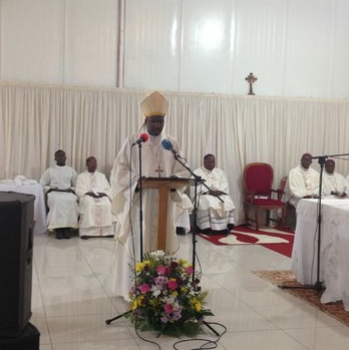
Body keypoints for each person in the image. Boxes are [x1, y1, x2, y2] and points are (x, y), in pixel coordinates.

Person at [110, 90, 189, 301]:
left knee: (162, 241)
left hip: (164, 204)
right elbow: (120, 170)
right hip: (140, 203)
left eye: (161, 121)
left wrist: (173, 180)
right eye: (154, 121)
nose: (157, 126)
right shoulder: (134, 141)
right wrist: (136, 181)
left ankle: (162, 288)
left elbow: (182, 169)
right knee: (139, 240)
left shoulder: (171, 143)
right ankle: (135, 289)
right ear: (146, 121)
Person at [40, 150, 79, 240]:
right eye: (58, 156)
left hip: (67, 192)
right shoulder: (50, 170)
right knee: (57, 201)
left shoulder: (71, 170)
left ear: (66, 157)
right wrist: (50, 189)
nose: (61, 158)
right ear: (55, 158)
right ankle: (58, 229)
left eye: (62, 156)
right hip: (55, 192)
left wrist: (71, 189)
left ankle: (67, 228)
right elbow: (41, 184)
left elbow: (77, 184)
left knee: (72, 200)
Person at [193, 154, 235, 234]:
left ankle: (227, 226)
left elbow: (224, 183)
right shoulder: (197, 172)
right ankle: (207, 228)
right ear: (204, 162)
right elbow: (195, 187)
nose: (211, 164)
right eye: (209, 162)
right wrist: (208, 192)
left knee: (227, 200)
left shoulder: (220, 172)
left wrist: (220, 191)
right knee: (209, 201)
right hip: (205, 195)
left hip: (219, 194)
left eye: (213, 162)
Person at [75, 156, 114, 239]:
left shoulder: (101, 176)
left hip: (101, 195)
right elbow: (78, 189)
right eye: (91, 163)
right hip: (87, 196)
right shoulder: (81, 176)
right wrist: (88, 193)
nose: (94, 165)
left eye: (95, 163)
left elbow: (108, 188)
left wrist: (104, 193)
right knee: (89, 204)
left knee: (107, 203)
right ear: (87, 164)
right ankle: (87, 232)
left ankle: (107, 232)